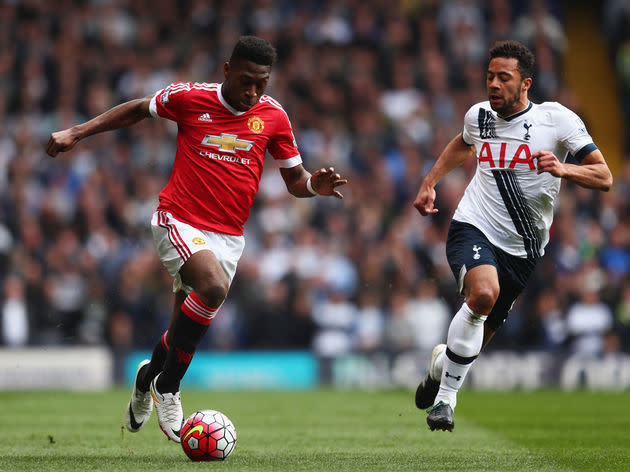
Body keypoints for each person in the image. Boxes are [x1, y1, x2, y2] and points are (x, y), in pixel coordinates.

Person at [46, 36, 347, 443]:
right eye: (246, 80)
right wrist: (76, 133)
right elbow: (137, 108)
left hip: (228, 238)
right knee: (213, 288)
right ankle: (168, 387)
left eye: (262, 83)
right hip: (178, 220)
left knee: (179, 333)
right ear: (226, 70)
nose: (253, 91)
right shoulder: (190, 97)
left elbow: (294, 180)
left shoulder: (273, 116)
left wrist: (315, 186)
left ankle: (146, 378)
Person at [412, 40, 612, 432]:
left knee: (471, 342)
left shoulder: (557, 120)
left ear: (525, 84)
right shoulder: (479, 116)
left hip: (524, 249)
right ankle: (446, 402)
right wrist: (430, 182)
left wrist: (563, 170)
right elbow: (462, 144)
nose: (493, 85)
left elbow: (604, 176)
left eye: (504, 78)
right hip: (474, 224)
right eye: (490, 77)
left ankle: (440, 367)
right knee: (482, 294)